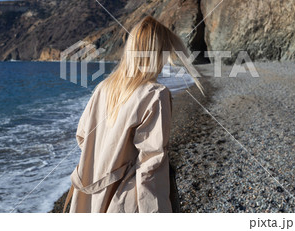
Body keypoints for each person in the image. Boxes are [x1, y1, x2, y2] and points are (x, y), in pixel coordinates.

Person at [63, 15, 204, 213]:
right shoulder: (155, 94)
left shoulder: (103, 88)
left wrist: (109, 160)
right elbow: (151, 166)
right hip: (125, 201)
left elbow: (82, 137)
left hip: (90, 194)